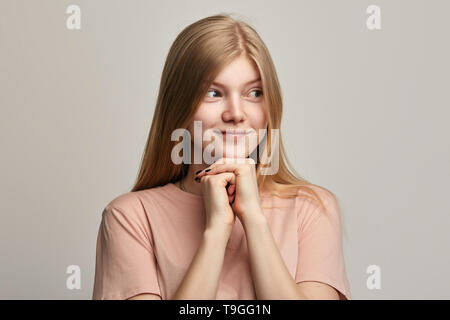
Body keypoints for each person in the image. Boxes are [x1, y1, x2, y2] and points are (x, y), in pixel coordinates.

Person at [92, 13, 352, 300]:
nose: (236, 114)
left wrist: (254, 219)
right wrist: (216, 233)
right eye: (213, 93)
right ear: (179, 105)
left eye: (254, 93)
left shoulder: (312, 209)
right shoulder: (130, 217)